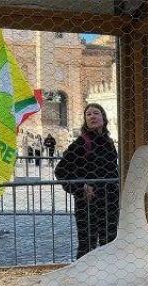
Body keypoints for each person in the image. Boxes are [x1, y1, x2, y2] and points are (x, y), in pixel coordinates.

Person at [55, 103, 120, 259]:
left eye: (96, 113)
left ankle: (106, 278)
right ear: (85, 120)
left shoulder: (109, 142)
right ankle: (81, 279)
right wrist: (80, 187)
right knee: (87, 245)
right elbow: (61, 170)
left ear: (103, 118)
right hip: (88, 203)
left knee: (109, 243)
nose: (92, 116)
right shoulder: (81, 143)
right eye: (88, 114)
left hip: (109, 201)